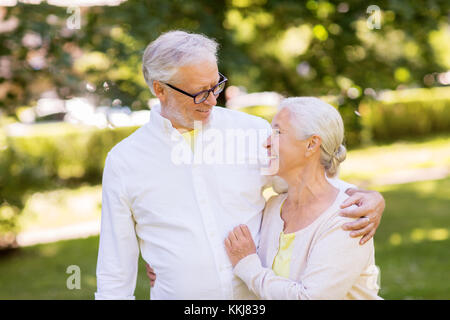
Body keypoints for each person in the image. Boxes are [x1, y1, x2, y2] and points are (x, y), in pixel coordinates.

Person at [95, 30, 385, 300]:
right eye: (199, 92)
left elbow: (305, 184)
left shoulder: (252, 132)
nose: (212, 100)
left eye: (216, 86)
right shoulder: (125, 161)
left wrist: (369, 199)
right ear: (161, 90)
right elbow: (114, 272)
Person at [224, 97, 382, 299]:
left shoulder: (347, 218)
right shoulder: (274, 207)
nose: (266, 143)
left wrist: (247, 265)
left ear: (311, 144)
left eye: (277, 133)